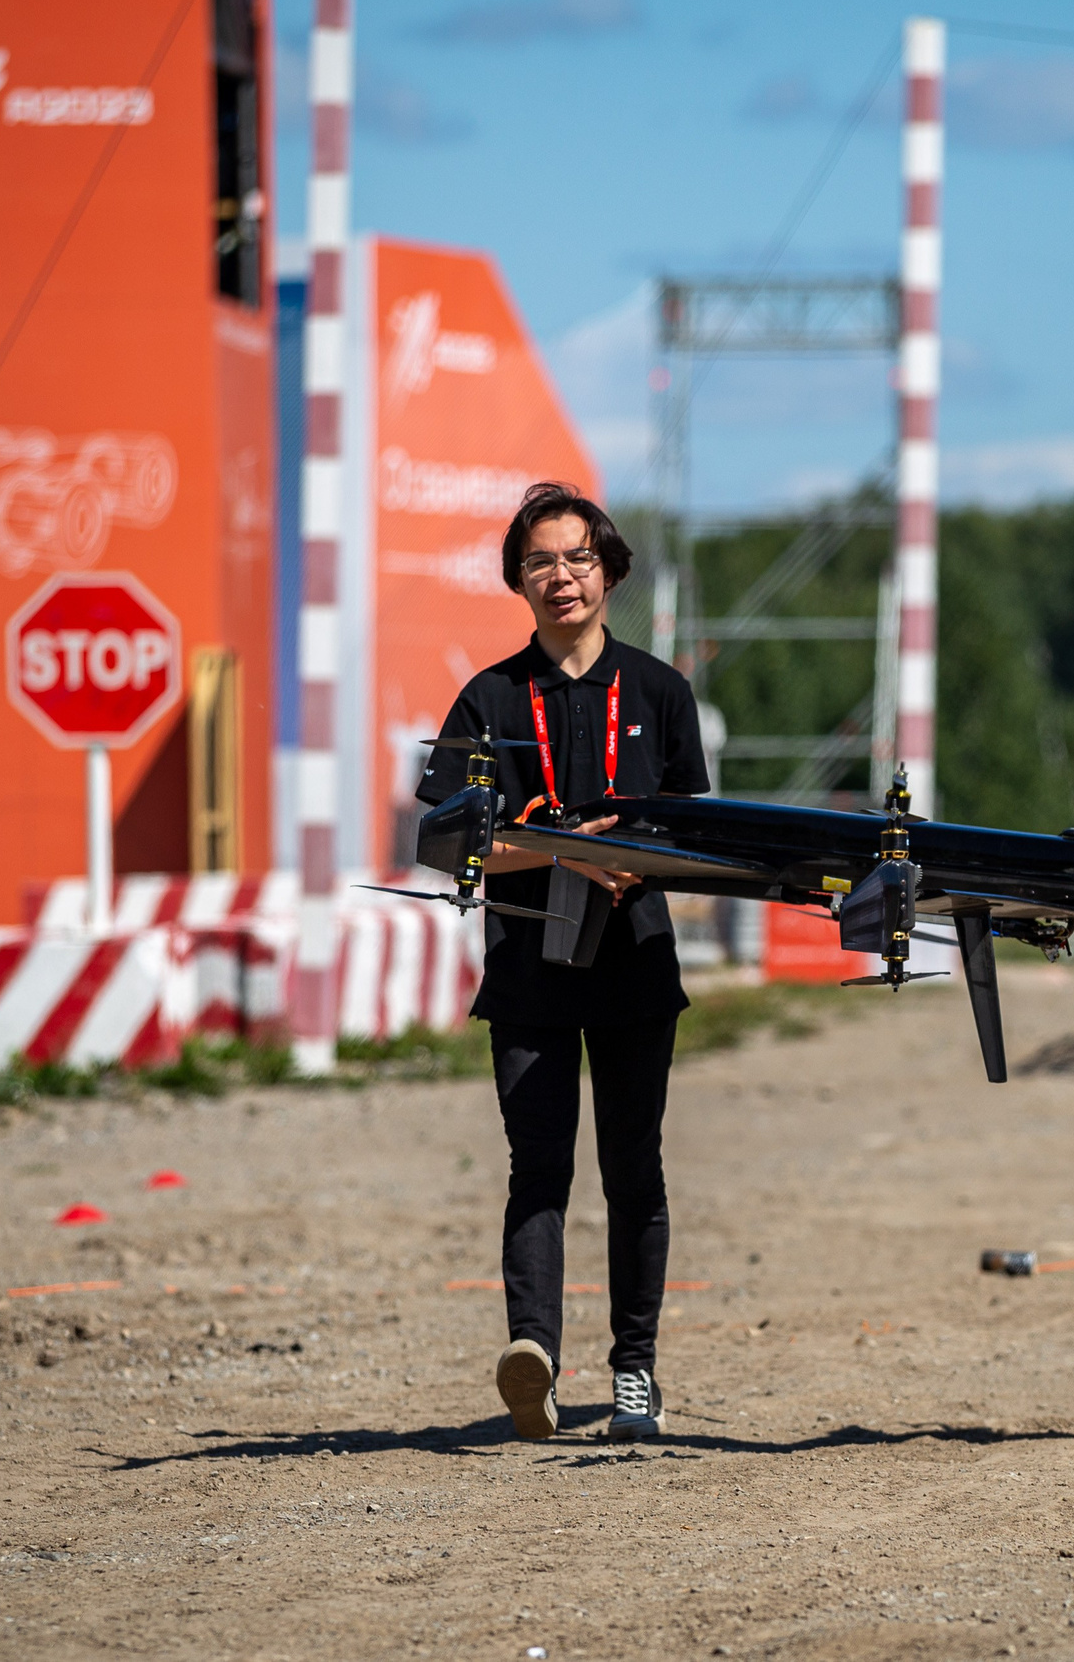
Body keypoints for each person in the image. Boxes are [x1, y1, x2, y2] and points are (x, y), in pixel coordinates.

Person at [414, 482, 711, 1443]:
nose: (561, 576)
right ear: (518, 580)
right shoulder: (487, 698)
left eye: (577, 557)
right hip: (527, 970)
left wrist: (639, 863)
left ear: (610, 569)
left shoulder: (662, 692)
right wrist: (560, 851)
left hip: (636, 964)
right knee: (536, 1166)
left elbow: (696, 835)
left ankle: (635, 1371)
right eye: (540, 561)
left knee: (635, 1167)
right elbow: (446, 840)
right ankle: (533, 1358)